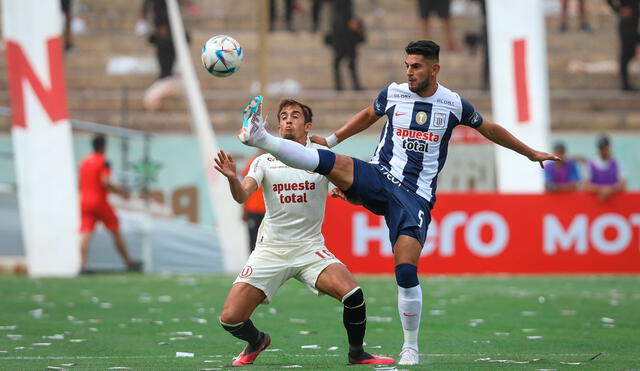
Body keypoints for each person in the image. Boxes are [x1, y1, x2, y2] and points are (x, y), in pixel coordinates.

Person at [237, 40, 560, 365]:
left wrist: (530, 152)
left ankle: (410, 347)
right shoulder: (393, 93)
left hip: (413, 196)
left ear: (435, 68)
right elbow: (367, 114)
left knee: (405, 269)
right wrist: (334, 139)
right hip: (379, 175)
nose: (409, 72)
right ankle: (261, 138)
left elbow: (489, 128)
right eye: (407, 65)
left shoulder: (453, 104)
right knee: (328, 159)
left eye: (416, 66)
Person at [214, 99, 394, 366]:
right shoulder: (263, 161)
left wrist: (349, 197)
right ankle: (258, 340)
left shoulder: (321, 157)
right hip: (271, 250)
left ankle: (357, 353)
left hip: (310, 249)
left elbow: (353, 192)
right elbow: (242, 196)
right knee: (230, 318)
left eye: (295, 116)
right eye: (283, 116)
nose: (288, 120)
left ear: (307, 126)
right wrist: (232, 178)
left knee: (353, 295)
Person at [79, 135, 142, 274]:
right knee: (115, 231)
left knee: (86, 233)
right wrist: (122, 192)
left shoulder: (84, 162)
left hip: (84, 202)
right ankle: (129, 262)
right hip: (99, 202)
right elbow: (105, 182)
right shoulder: (103, 161)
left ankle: (83, 266)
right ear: (104, 146)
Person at [326, 0, 365, 91]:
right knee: (340, 64)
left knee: (350, 64)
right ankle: (340, 85)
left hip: (347, 38)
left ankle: (353, 85)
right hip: (341, 37)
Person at [607, 0, 639, 91]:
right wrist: (617, 9)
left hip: (635, 24)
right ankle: (625, 84)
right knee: (625, 56)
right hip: (626, 24)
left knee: (629, 55)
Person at [585, 135, 626, 201]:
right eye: (601, 148)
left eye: (605, 147)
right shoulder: (590, 163)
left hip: (614, 203)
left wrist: (610, 190)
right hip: (596, 202)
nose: (603, 150)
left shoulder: (617, 162)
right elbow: (586, 186)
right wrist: (602, 190)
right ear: (598, 148)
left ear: (609, 147)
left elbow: (623, 184)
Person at [241, 150, 266, 253]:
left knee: (267, 242)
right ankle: (253, 268)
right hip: (253, 209)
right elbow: (244, 188)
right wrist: (244, 209)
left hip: (269, 210)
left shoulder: (274, 163)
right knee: (253, 241)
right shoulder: (252, 163)